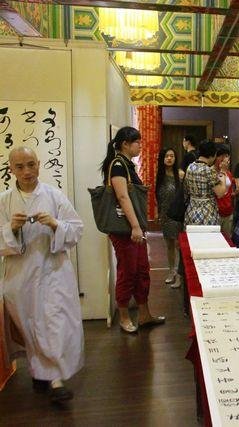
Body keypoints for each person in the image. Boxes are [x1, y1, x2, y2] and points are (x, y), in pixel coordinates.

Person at [0, 146, 84, 402]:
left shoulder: (54, 196)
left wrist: (55, 224)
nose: (27, 171)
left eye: (30, 164)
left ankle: (56, 381)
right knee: (31, 328)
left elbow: (77, 229)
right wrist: (11, 229)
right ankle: (40, 373)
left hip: (54, 271)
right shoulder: (4, 200)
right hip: (20, 276)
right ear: (11, 169)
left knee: (55, 325)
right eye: (20, 166)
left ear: (39, 164)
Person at [100, 126, 165, 334]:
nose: (140, 145)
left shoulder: (127, 164)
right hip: (124, 229)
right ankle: (125, 316)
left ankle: (145, 314)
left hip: (133, 228)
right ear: (125, 144)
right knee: (128, 272)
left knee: (142, 270)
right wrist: (135, 226)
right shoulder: (118, 165)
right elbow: (122, 196)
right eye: (137, 142)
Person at [155, 148, 182, 288]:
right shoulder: (160, 175)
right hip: (165, 214)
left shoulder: (181, 174)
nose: (169, 158)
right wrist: (157, 212)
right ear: (162, 159)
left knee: (178, 245)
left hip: (177, 215)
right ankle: (171, 271)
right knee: (169, 245)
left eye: (172, 156)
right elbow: (157, 196)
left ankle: (178, 275)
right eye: (167, 156)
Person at [183, 140, 227, 226]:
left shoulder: (190, 167)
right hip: (207, 213)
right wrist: (223, 173)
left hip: (191, 210)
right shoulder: (209, 170)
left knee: (193, 239)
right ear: (213, 155)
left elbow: (186, 189)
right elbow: (220, 193)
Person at [213, 144, 234, 236]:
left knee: (228, 239)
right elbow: (218, 193)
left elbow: (228, 190)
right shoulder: (211, 172)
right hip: (215, 212)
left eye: (226, 156)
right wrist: (222, 171)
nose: (224, 159)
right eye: (221, 156)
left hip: (228, 211)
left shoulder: (228, 173)